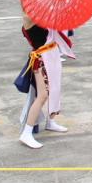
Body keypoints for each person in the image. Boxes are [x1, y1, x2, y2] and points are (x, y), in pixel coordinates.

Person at [19, 10, 74, 149]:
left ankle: (51, 121)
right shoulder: (28, 17)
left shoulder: (43, 15)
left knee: (54, 90)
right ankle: (26, 133)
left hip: (52, 56)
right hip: (41, 59)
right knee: (42, 95)